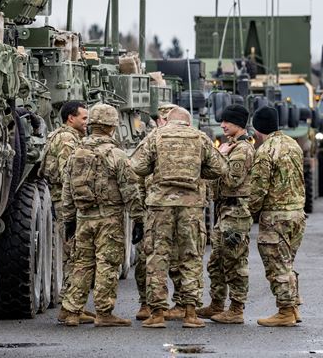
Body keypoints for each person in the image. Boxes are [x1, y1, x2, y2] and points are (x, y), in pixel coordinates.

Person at [130, 106, 227, 328]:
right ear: (187, 121)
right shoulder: (200, 137)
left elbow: (137, 165)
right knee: (191, 256)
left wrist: (156, 169)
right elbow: (220, 167)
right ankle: (190, 313)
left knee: (157, 256)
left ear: (168, 120)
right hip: (190, 205)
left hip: (160, 204)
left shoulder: (156, 136)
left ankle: (156, 313)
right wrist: (197, 172)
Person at [59, 104, 142, 327]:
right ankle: (104, 312)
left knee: (81, 263)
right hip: (109, 218)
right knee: (107, 263)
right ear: (112, 127)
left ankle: (71, 311)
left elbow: (67, 189)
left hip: (83, 217)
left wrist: (68, 219)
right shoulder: (117, 155)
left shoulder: (77, 152)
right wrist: (138, 220)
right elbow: (130, 190)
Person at [249, 106, 306, 327]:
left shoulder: (265, 151)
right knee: (287, 263)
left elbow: (258, 189)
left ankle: (285, 312)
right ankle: (293, 307)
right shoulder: (293, 145)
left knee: (277, 265)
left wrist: (248, 212)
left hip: (276, 216)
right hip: (297, 215)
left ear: (258, 128)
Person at [197, 104, 254, 324]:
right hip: (225, 210)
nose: (222, 125)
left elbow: (232, 180)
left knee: (234, 262)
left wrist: (219, 157)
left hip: (236, 212)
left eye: (226, 122)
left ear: (238, 123)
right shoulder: (231, 146)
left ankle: (237, 309)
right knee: (216, 262)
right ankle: (217, 304)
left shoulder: (242, 150)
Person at [41, 101, 91, 323]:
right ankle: (70, 308)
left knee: (74, 252)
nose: (86, 122)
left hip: (63, 200)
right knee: (75, 252)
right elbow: (68, 174)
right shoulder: (67, 139)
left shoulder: (64, 136)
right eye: (84, 118)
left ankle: (73, 305)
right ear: (71, 118)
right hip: (66, 202)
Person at [133, 103, 175, 321]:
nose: (165, 123)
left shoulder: (187, 140)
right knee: (146, 259)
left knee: (178, 259)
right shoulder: (150, 142)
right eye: (163, 119)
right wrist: (139, 212)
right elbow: (137, 173)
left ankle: (178, 303)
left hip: (178, 210)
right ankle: (146, 303)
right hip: (153, 209)